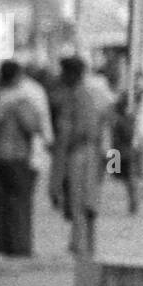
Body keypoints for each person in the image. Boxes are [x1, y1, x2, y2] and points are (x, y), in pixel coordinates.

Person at [0, 59, 42, 257]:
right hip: (16, 155)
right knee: (20, 202)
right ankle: (20, 247)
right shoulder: (21, 100)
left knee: (0, 200)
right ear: (17, 76)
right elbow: (32, 126)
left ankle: (1, 244)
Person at [50, 56, 109, 257]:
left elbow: (66, 134)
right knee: (90, 201)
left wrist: (56, 178)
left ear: (70, 73)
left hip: (78, 153)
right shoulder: (96, 93)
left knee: (78, 201)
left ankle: (80, 246)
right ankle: (89, 246)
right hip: (95, 152)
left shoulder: (75, 96)